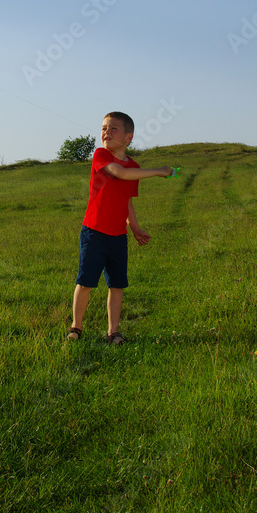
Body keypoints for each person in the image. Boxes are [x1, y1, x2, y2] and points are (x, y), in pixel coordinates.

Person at [67, 112, 172, 345]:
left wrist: (134, 228)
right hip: (94, 232)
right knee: (86, 282)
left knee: (117, 285)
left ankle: (113, 332)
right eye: (104, 128)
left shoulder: (134, 166)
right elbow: (119, 173)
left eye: (113, 128)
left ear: (128, 137)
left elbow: (127, 201)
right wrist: (157, 171)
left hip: (117, 236)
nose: (106, 132)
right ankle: (76, 327)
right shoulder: (101, 155)